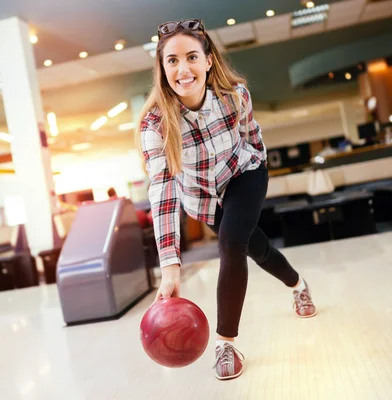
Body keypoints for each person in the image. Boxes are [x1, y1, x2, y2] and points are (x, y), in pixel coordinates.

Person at [137, 18, 317, 381]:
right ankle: (298, 285)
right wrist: (170, 264)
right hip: (202, 196)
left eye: (191, 57)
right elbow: (163, 190)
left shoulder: (235, 95)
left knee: (231, 241)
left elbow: (252, 136)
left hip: (243, 173)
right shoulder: (155, 124)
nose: (182, 69)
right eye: (171, 61)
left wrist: (256, 170)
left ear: (208, 61)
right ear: (162, 68)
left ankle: (225, 344)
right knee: (257, 247)